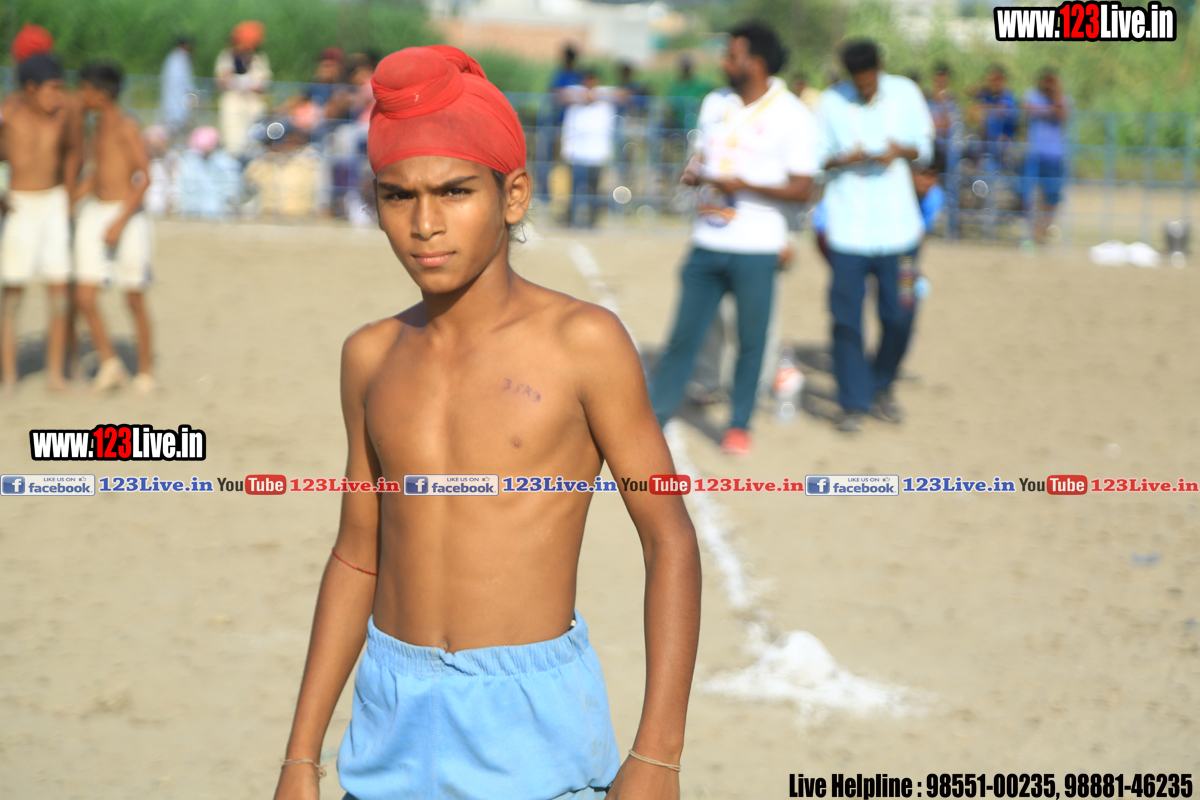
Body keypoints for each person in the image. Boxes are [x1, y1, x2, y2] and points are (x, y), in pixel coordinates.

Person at [271, 45, 701, 800]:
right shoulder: (369, 357)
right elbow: (358, 556)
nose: (425, 223)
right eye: (397, 196)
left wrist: (659, 754)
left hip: (533, 727)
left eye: (454, 191)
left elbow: (669, 538)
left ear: (514, 196)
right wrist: (300, 756)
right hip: (388, 723)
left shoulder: (583, 343)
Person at [648, 22, 816, 456]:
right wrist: (694, 172)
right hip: (707, 240)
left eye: (731, 55)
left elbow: (803, 188)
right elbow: (704, 157)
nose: (723, 62)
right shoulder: (715, 102)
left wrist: (743, 186)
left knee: (750, 341)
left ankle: (739, 424)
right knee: (683, 336)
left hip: (757, 246)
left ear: (755, 63)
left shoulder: (792, 114)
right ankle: (658, 415)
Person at [815, 39, 933, 433]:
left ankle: (882, 384)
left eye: (870, 83)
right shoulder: (831, 102)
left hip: (901, 232)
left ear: (880, 68)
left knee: (902, 312)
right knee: (845, 319)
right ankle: (853, 401)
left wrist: (901, 150)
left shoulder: (906, 93)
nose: (865, 90)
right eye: (859, 84)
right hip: (848, 231)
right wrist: (842, 159)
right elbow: (815, 159)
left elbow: (925, 149)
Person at [72, 63, 156, 393]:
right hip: (96, 210)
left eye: (85, 90)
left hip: (126, 213)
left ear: (100, 94)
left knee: (133, 297)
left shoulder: (126, 126)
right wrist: (71, 201)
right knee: (84, 295)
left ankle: (145, 372)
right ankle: (110, 362)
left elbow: (143, 176)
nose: (81, 96)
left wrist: (120, 221)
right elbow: (95, 174)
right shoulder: (96, 127)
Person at [0, 54, 79, 392]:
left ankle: (55, 374)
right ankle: (9, 376)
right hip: (19, 205)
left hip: (53, 202)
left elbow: (74, 151)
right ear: (30, 89)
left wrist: (70, 196)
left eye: (60, 88)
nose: (57, 96)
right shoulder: (9, 112)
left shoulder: (63, 114)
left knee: (59, 290)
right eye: (52, 89)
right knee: (13, 292)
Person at [561, 69, 617, 228]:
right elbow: (557, 94)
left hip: (597, 153)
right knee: (574, 188)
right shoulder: (575, 91)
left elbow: (625, 95)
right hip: (576, 152)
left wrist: (598, 96)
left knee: (594, 189)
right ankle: (572, 219)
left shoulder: (605, 93)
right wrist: (582, 96)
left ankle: (592, 220)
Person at [1022, 68, 1070, 244]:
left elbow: (1061, 113)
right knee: (1027, 193)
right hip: (1034, 153)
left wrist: (1056, 95)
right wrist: (1049, 109)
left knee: (1052, 195)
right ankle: (1033, 229)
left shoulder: (1063, 98)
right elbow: (1027, 110)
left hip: (1055, 155)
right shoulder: (1031, 95)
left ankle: (1043, 229)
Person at [215, 20, 272, 156]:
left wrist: (246, 84)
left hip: (253, 106)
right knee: (233, 141)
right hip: (233, 105)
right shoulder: (227, 56)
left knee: (254, 142)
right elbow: (221, 79)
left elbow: (263, 83)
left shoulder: (259, 59)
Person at [536, 44, 583, 202]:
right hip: (557, 123)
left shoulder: (578, 76)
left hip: (572, 127)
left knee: (571, 162)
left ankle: (573, 197)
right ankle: (545, 194)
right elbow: (555, 95)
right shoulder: (559, 75)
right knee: (547, 159)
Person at [177, 126, 241, 219]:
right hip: (193, 215)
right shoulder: (187, 162)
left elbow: (232, 191)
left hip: (220, 215)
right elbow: (183, 188)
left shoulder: (227, 163)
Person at [969, 64, 1017, 167]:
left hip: (1003, 138)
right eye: (992, 79)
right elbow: (970, 92)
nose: (995, 83)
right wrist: (983, 82)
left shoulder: (1008, 96)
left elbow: (1003, 109)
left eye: (998, 79)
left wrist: (982, 107)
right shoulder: (987, 95)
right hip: (986, 138)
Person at [158, 35, 196, 136]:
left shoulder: (171, 58)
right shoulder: (181, 58)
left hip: (173, 95)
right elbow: (186, 80)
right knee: (178, 119)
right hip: (179, 96)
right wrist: (192, 92)